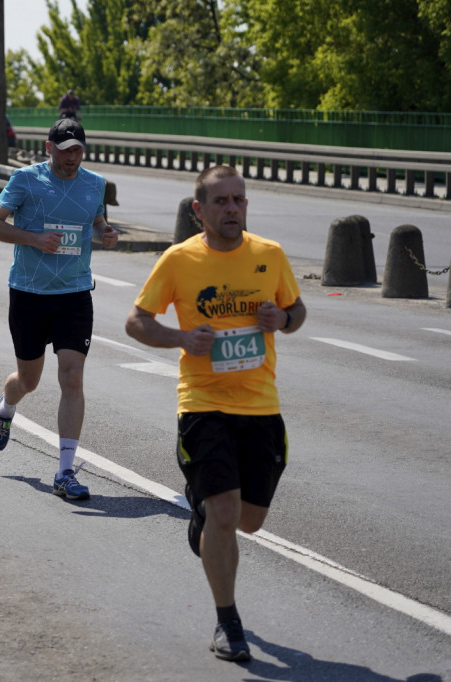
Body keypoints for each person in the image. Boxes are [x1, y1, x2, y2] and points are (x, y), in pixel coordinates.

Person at [124, 165, 306, 662]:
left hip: (261, 405)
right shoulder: (179, 260)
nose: (233, 209)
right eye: (222, 201)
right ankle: (228, 623)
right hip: (203, 403)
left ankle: (201, 512)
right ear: (199, 210)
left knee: (249, 521)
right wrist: (182, 338)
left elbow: (297, 310)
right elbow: (136, 321)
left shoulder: (269, 255)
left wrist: (283, 318)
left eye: (239, 200)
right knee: (226, 512)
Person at [0, 118, 118, 501]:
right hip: (28, 293)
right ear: (49, 148)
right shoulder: (26, 179)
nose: (72, 157)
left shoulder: (95, 184)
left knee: (72, 377)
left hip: (74, 293)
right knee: (28, 381)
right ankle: (6, 409)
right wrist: (34, 239)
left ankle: (64, 471)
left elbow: (94, 225)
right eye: (65, 149)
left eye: (78, 150)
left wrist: (105, 235)